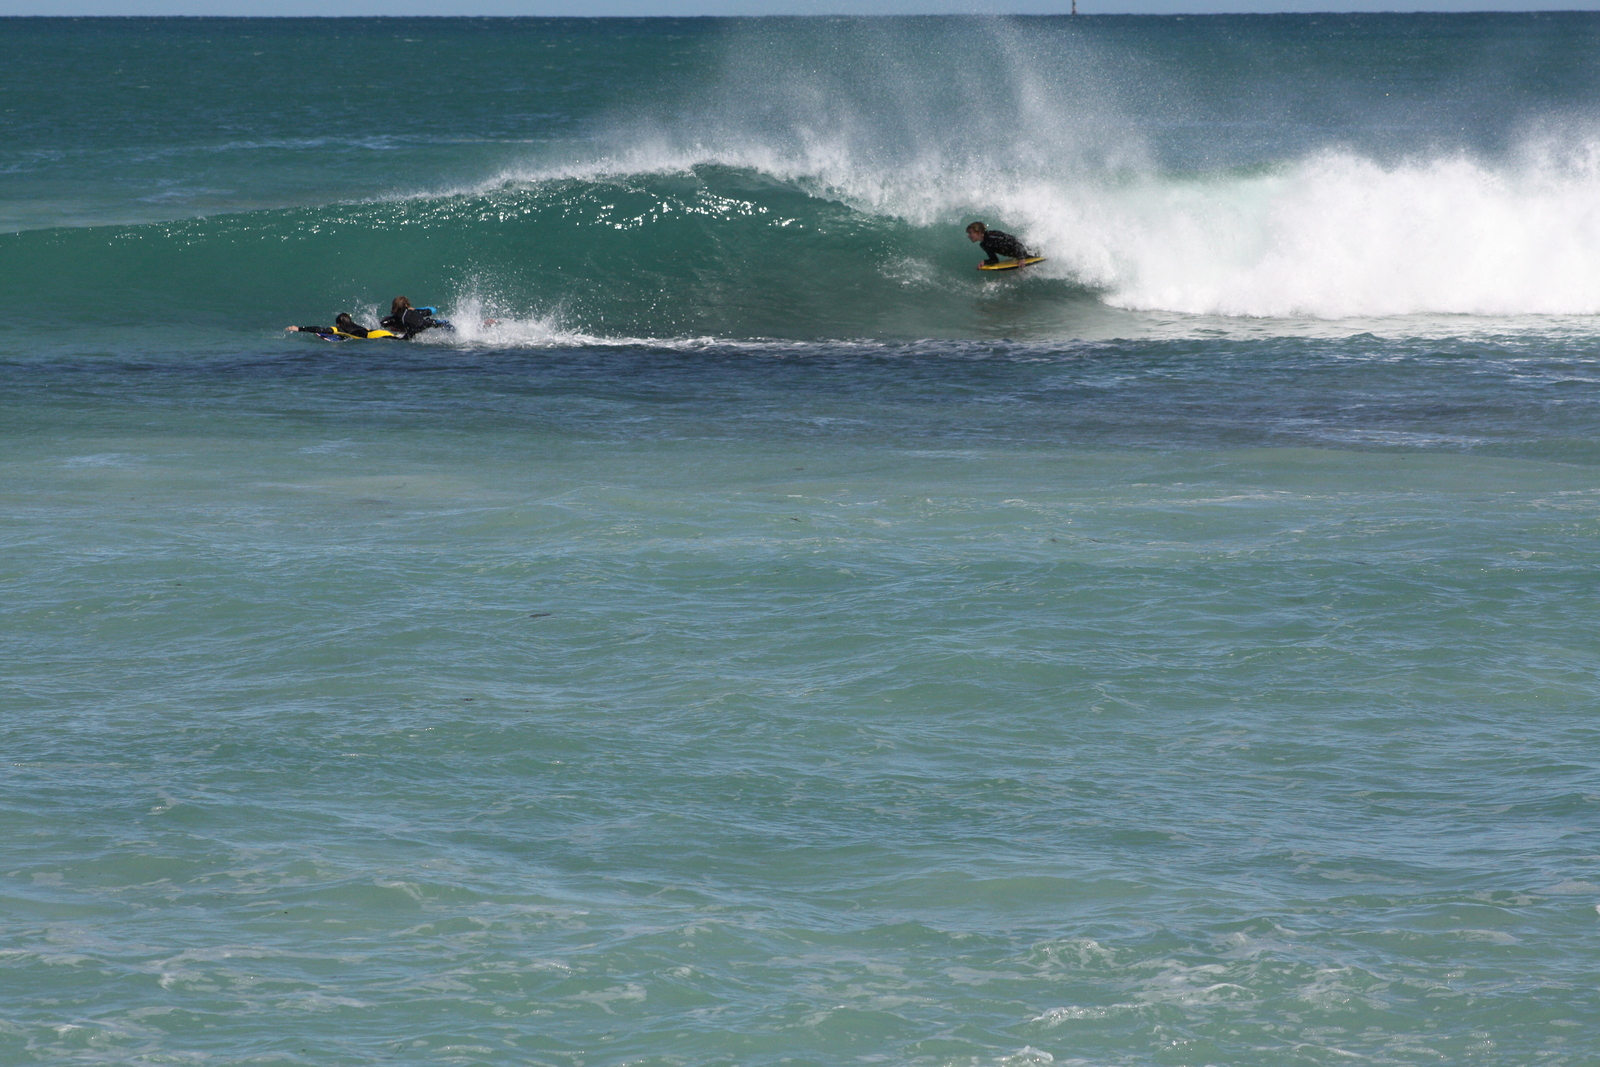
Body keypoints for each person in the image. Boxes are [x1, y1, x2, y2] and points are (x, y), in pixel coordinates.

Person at [380, 296, 453, 339]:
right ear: (407, 305)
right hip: (425, 324)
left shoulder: (394, 319)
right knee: (439, 323)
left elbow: (382, 323)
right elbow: (433, 310)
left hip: (411, 332)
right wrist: (415, 309)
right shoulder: (416, 312)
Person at [966, 221, 1034, 266]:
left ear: (979, 232)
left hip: (1030, 252)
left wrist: (1021, 258)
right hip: (1020, 255)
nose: (969, 235)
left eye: (970, 233)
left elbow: (1017, 243)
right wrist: (984, 262)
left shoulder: (994, 236)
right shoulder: (984, 245)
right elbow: (995, 260)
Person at [285, 312, 379, 339]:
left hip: (372, 336)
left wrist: (299, 328)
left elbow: (319, 329)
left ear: (338, 324)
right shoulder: (354, 325)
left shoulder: (339, 328)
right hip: (376, 332)